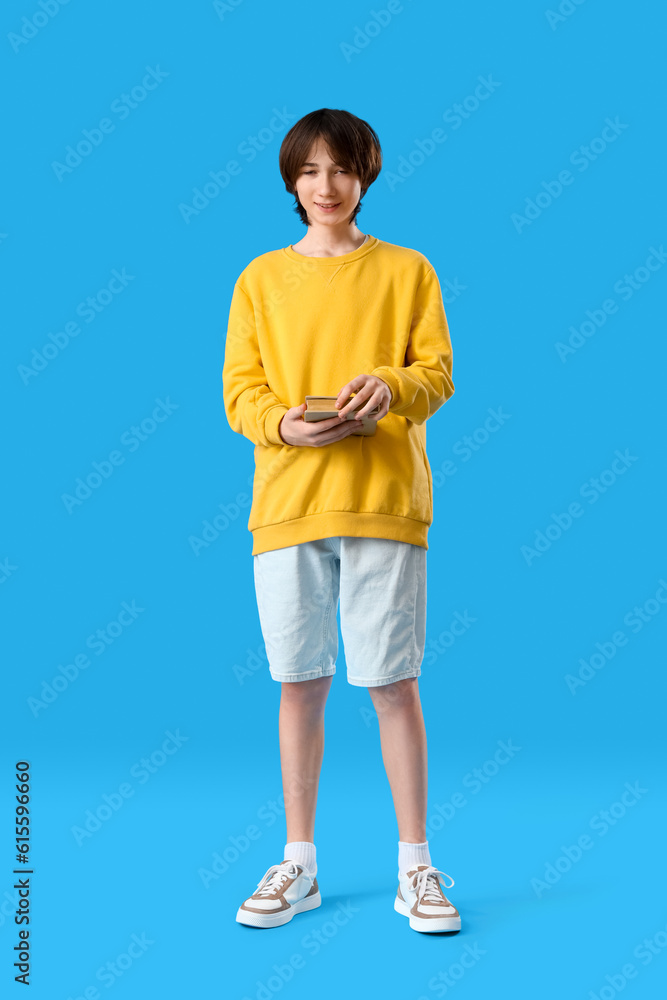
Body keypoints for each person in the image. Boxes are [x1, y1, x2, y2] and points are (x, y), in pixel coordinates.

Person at [222, 107, 459, 934]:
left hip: (384, 500)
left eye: (343, 169)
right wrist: (284, 424)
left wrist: (388, 389)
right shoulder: (258, 279)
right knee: (299, 683)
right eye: (311, 170)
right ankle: (299, 862)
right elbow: (240, 393)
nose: (327, 186)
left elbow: (436, 372)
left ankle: (416, 866)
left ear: (367, 177)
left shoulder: (407, 271)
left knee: (393, 683)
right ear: (291, 181)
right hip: (286, 504)